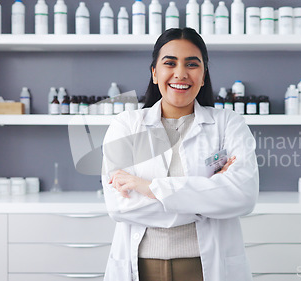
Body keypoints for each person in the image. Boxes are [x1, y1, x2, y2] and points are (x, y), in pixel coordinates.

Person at [101, 28, 259, 281]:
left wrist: (150, 187)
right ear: (155, 73)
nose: (181, 73)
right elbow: (119, 206)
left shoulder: (228, 124)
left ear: (204, 75)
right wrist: (207, 197)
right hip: (142, 267)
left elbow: (243, 196)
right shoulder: (126, 125)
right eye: (170, 63)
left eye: (192, 64)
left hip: (207, 267)